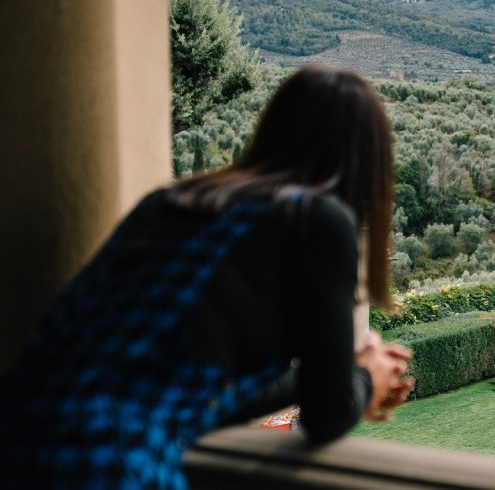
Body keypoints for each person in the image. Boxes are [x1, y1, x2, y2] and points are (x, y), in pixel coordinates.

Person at [0, 65, 413, 488]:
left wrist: (341, 372)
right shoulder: (317, 219)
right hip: (103, 462)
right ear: (369, 160)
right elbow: (327, 416)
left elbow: (204, 393)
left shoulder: (171, 201)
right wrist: (367, 378)